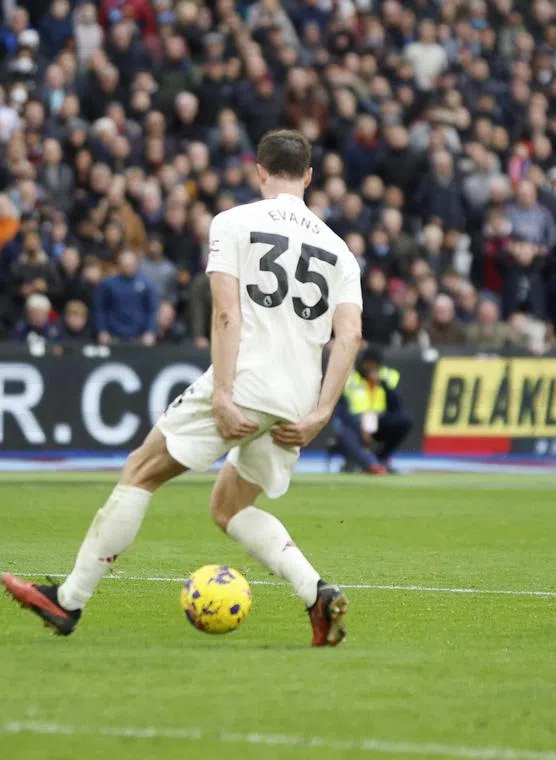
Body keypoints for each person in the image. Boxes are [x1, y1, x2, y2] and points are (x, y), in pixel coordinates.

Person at [2, 130, 363, 647]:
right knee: (229, 507)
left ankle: (69, 602)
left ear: (260, 170)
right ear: (308, 177)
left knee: (141, 470)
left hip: (244, 381)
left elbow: (225, 312)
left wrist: (221, 392)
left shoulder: (233, 223)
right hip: (296, 401)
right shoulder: (340, 251)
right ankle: (317, 593)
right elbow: (348, 337)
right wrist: (321, 413)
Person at [333, 346, 412, 474]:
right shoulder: (349, 378)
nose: (371, 367)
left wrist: (384, 385)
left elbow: (397, 407)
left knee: (404, 419)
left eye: (375, 364)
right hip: (355, 422)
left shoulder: (388, 376)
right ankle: (370, 464)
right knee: (343, 431)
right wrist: (363, 427)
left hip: (378, 420)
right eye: (368, 363)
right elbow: (341, 411)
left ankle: (381, 458)